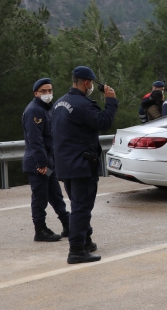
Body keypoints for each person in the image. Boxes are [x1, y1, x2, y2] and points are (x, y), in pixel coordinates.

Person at [52, 66, 118, 264]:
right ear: (88, 83)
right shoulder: (83, 104)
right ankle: (77, 250)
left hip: (64, 163)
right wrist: (111, 101)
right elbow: (104, 122)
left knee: (79, 205)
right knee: (82, 207)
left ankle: (86, 240)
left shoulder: (59, 103)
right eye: (91, 84)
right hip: (82, 164)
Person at [22, 78, 70, 243]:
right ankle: (40, 230)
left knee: (55, 194)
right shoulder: (33, 111)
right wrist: (41, 164)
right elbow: (35, 141)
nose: (48, 94)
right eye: (44, 91)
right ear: (36, 93)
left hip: (47, 163)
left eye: (50, 91)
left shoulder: (47, 109)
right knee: (40, 197)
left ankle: (67, 224)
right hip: (38, 164)